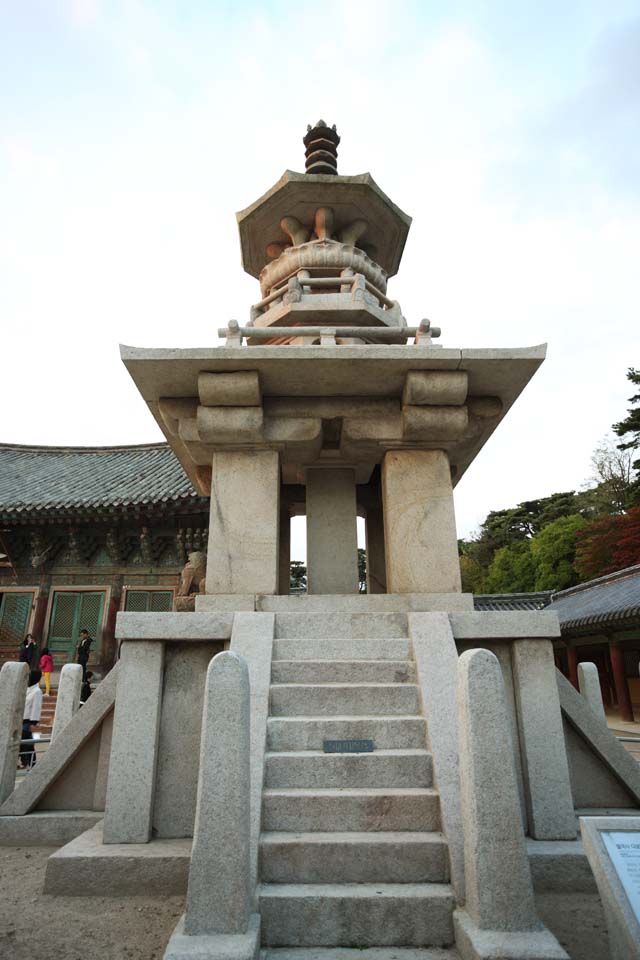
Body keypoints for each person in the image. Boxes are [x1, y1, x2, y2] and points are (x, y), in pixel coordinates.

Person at [21, 669, 43, 769]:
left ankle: (32, 765)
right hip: (21, 720)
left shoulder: (37, 691)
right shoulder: (26, 689)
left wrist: (33, 723)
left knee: (28, 745)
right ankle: (25, 763)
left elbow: (36, 707)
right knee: (23, 744)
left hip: (29, 722)